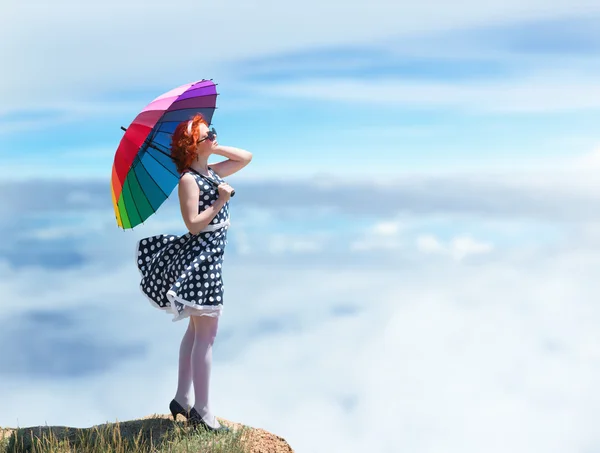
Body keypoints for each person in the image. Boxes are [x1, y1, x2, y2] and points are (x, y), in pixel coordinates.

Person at [135, 113, 252, 432]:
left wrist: (210, 147)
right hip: (201, 262)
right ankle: (202, 410)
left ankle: (182, 399)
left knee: (196, 332)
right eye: (207, 134)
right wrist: (221, 201)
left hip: (209, 260)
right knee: (207, 336)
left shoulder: (212, 172)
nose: (213, 135)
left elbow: (246, 157)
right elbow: (194, 224)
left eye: (213, 131)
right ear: (192, 146)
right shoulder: (188, 180)